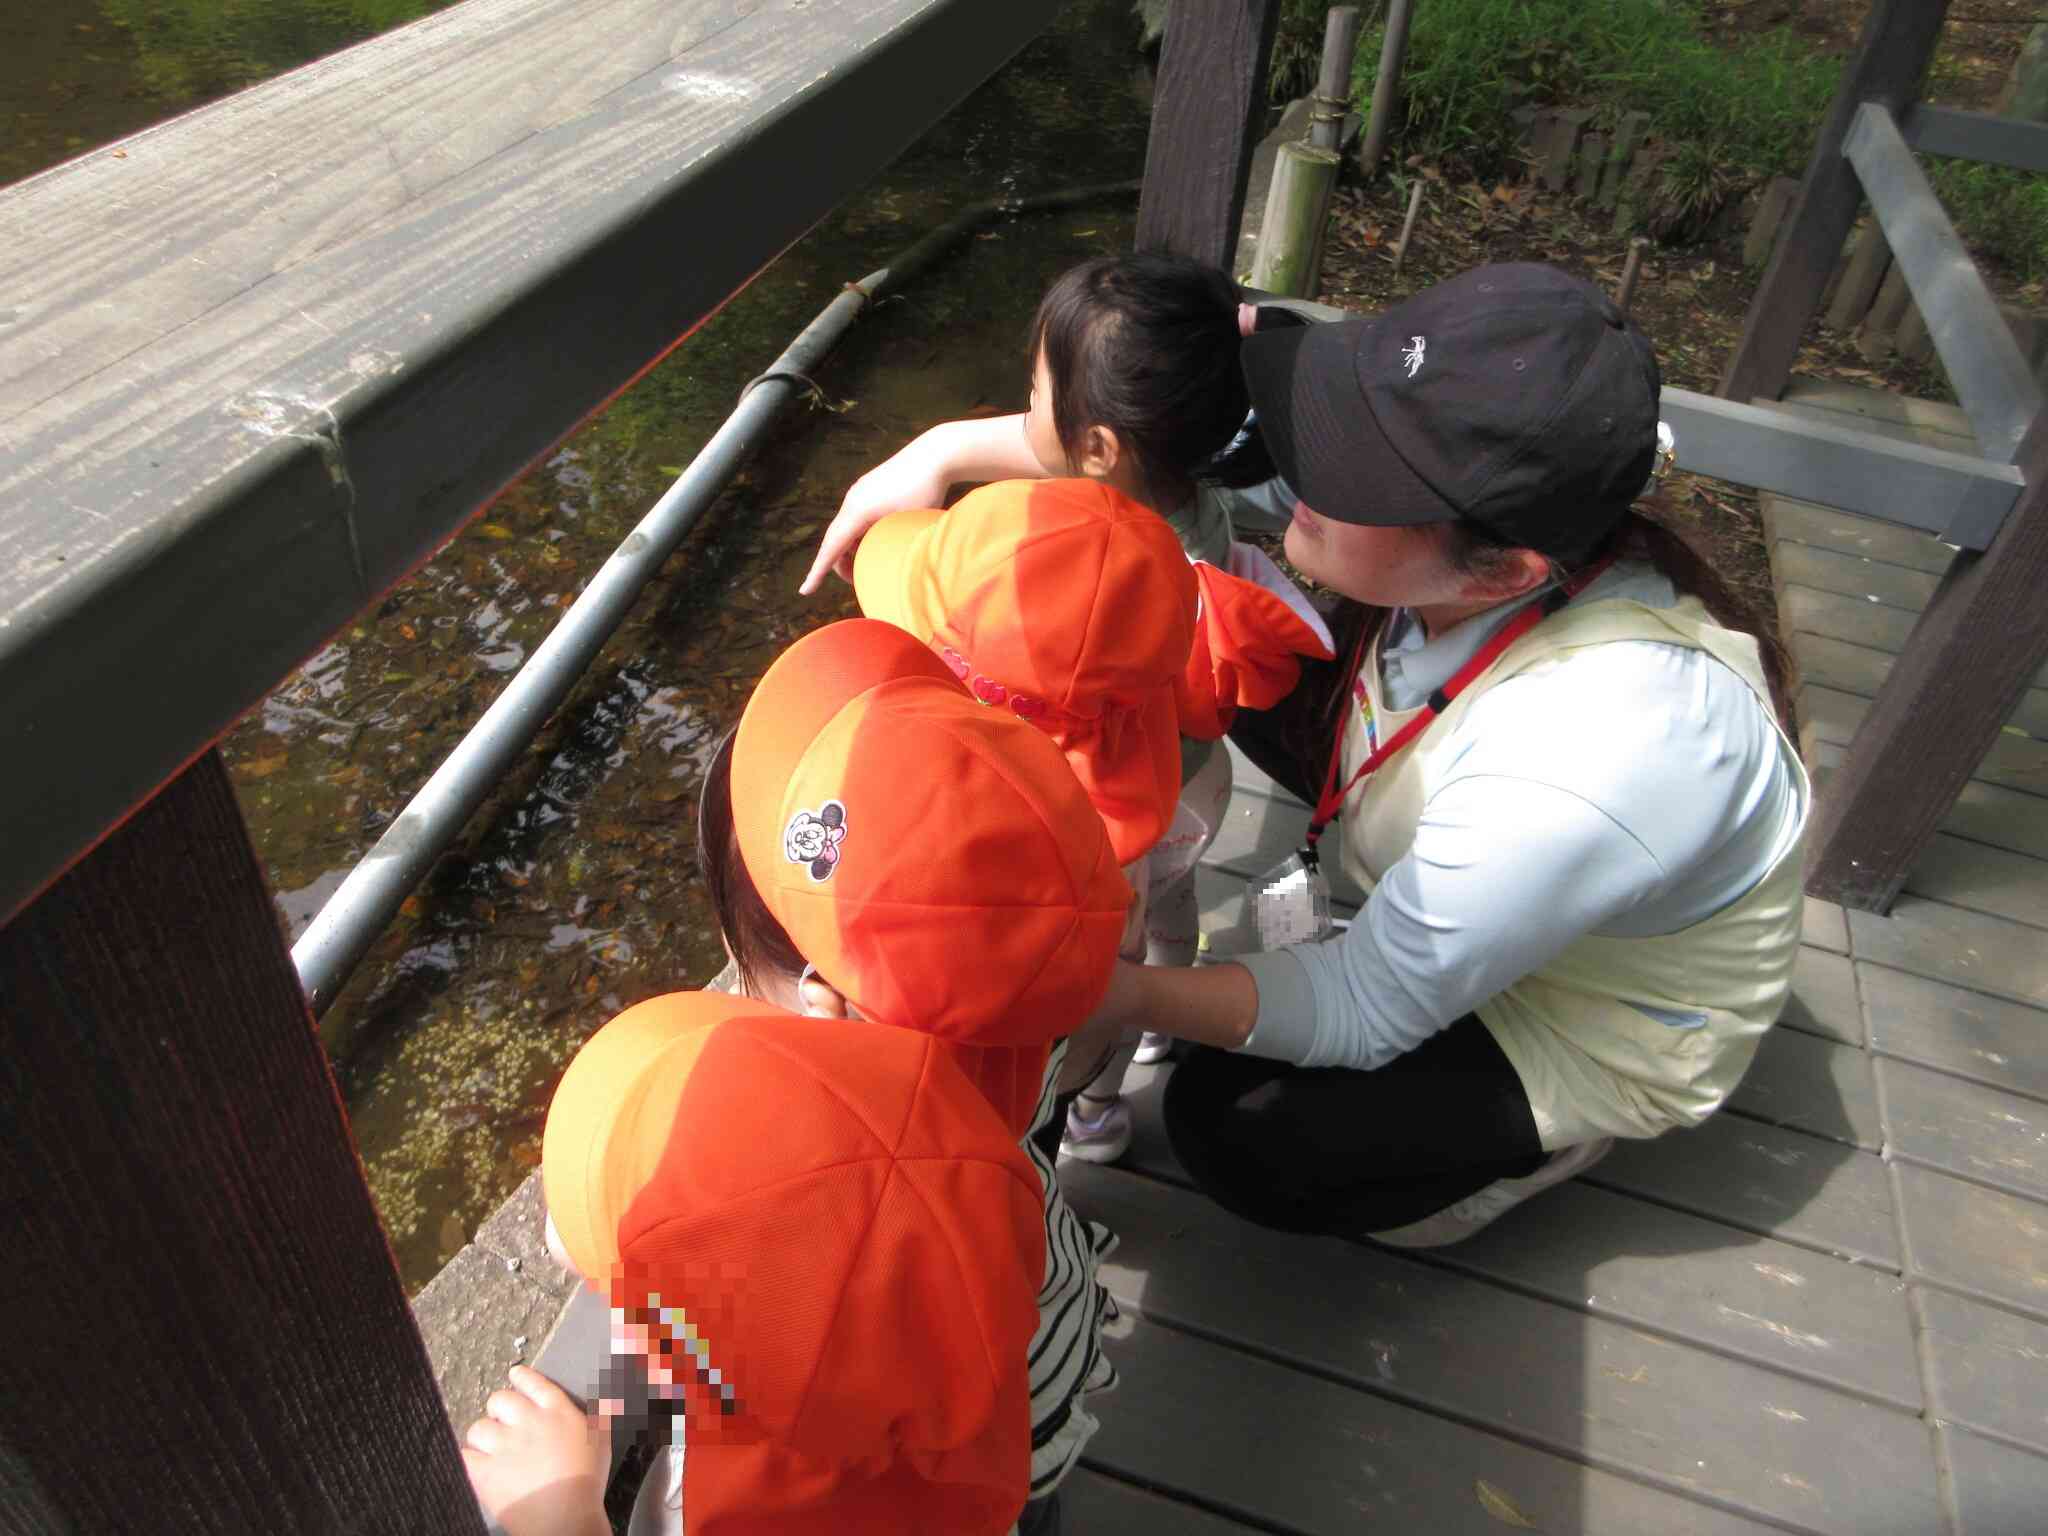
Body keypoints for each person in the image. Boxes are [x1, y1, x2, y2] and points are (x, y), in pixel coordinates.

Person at [823, 260, 1811, 1249]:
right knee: (1212, 647)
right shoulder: (1444, 519)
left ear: (1503, 566)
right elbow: (1156, 444)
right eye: (1329, 418)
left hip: (1569, 1015)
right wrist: (944, 449)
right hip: (1440, 790)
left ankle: (1534, 1145)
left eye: (1346, 466)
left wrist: (1102, 990)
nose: (1300, 457)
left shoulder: (1598, 752)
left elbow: (1366, 999)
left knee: (1235, 1126)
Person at [808, 253, 1325, 1163]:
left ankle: (1085, 1106)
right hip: (1189, 790)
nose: (1023, 407)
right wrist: (941, 448)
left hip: (1097, 826)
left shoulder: (1058, 554)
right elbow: (1038, 442)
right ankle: (1151, 1040)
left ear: (1098, 448)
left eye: (1035, 390)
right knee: (1170, 915)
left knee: (1096, 972)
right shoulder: (1191, 501)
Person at [723, 617, 1131, 1529]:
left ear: (822, 997)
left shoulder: (819, 1174)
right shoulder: (1043, 1022)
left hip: (952, 1450)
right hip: (1046, 1343)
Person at [461, 989, 1047, 1536]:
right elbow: (849, 1215)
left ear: (673, 1364)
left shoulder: (770, 1520)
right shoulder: (962, 1338)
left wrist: (564, 1514)